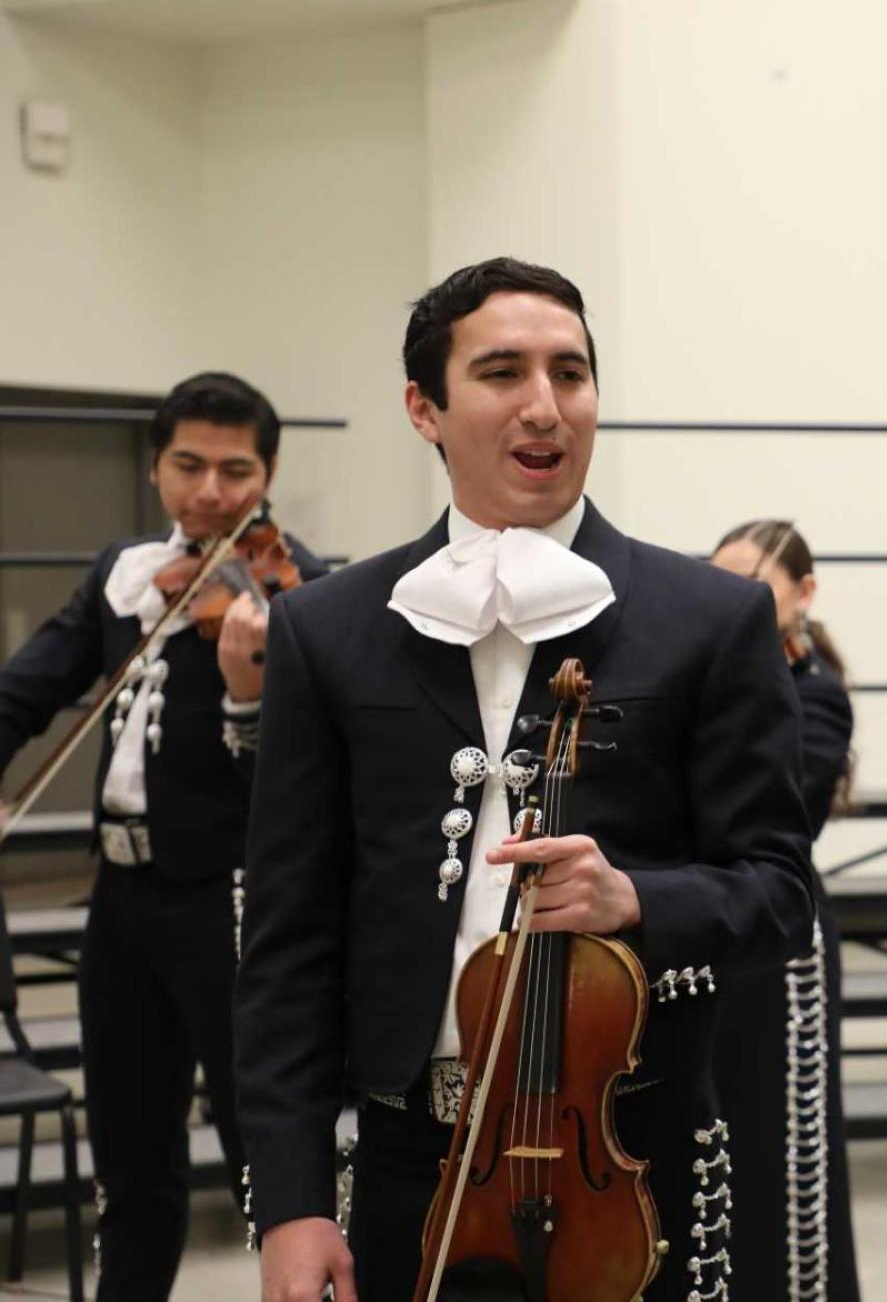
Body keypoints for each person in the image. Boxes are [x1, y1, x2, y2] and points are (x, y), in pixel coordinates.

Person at [234, 257, 816, 1302]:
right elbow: (287, 940)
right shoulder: (328, 629)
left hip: (633, 1158)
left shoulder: (710, 620)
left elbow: (777, 889)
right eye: (501, 372)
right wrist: (290, 1199)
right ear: (425, 407)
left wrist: (639, 895)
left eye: (571, 373)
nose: (544, 406)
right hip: (416, 1156)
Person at [0, 372, 326, 1301]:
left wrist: (246, 696)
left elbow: (304, 789)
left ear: (266, 475)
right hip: (122, 904)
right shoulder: (128, 575)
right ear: (156, 469)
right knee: (131, 1160)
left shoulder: (298, 594)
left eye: (235, 470)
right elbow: (24, 692)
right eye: (189, 466)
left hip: (229, 907)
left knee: (262, 1153)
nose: (212, 493)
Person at [709, 519, 862, 1302]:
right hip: (712, 938)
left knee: (791, 1158)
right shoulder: (722, 683)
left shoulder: (817, 697)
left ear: (803, 595)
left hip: (785, 952)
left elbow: (765, 815)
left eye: (753, 584)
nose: (735, 602)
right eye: (722, 583)